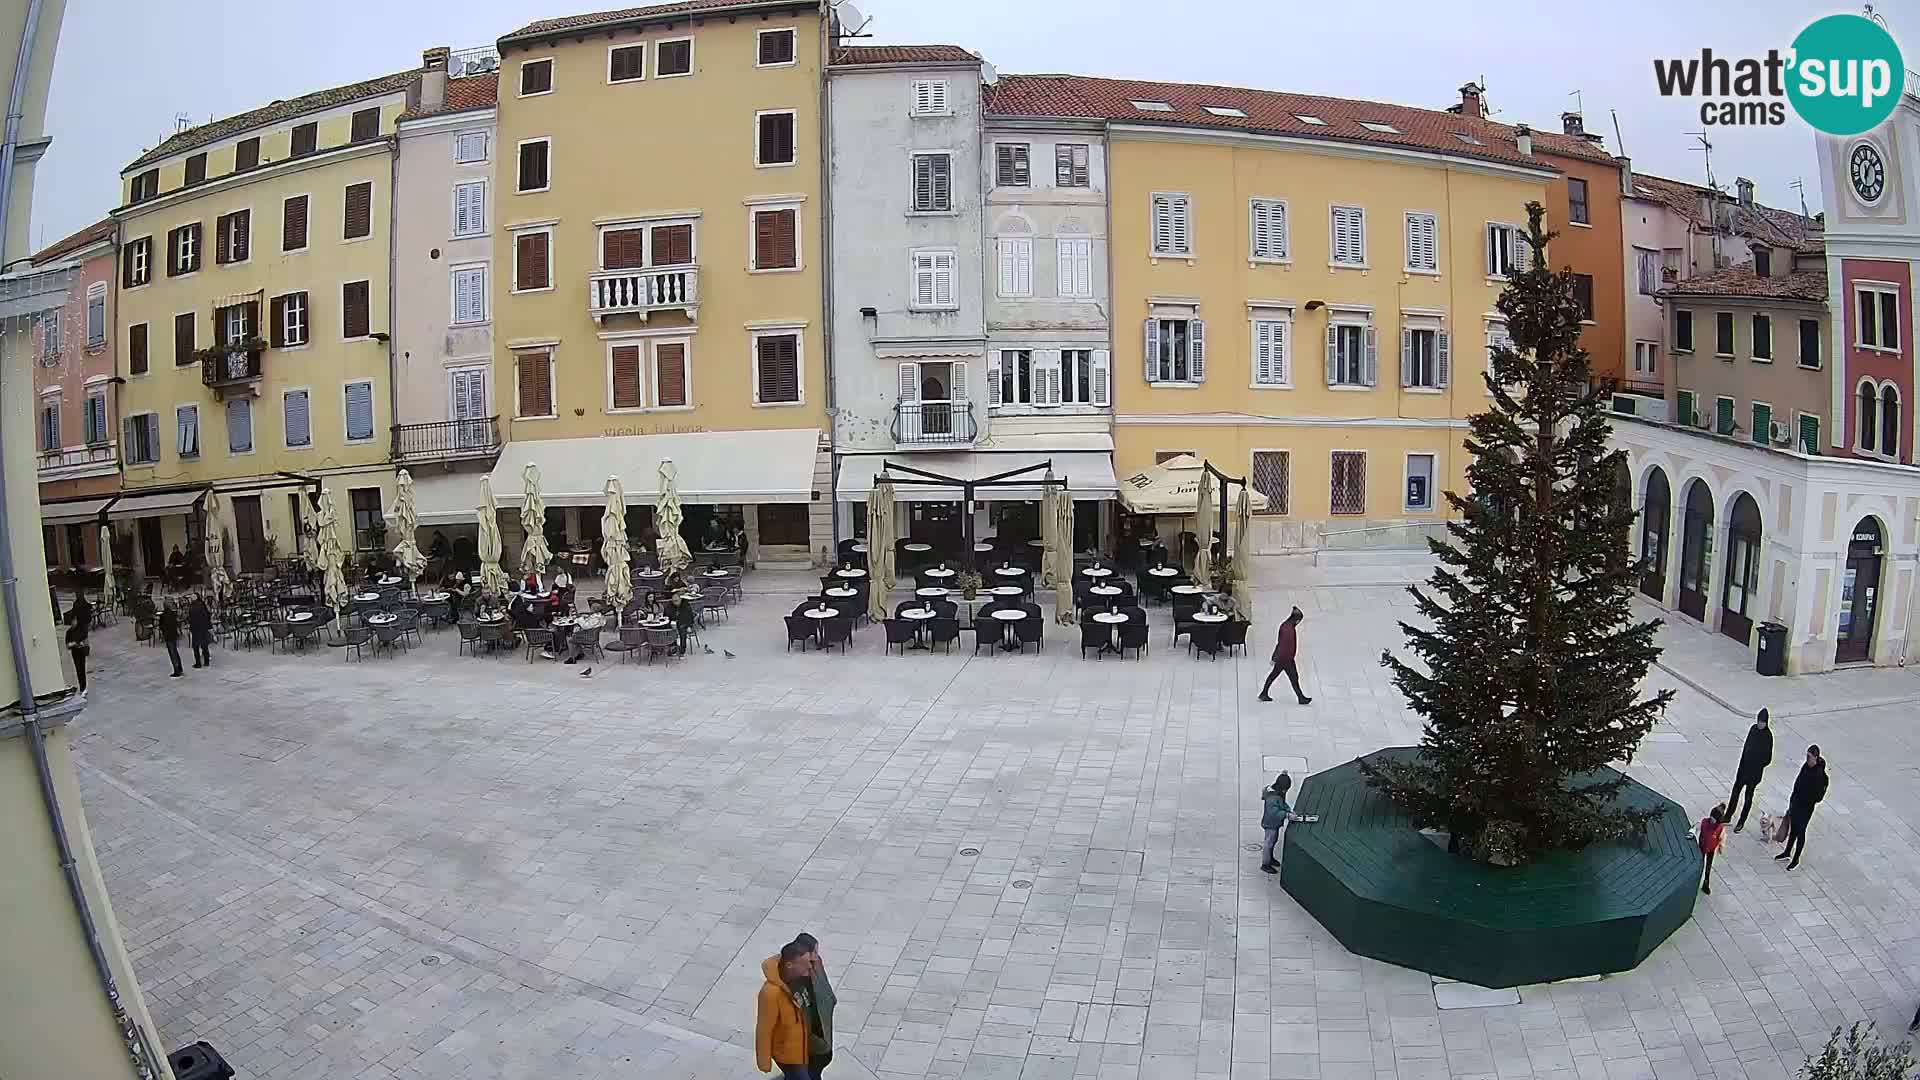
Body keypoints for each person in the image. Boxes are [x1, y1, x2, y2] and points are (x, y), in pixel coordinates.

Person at [755, 941, 815, 1080]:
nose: (810, 967)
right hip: (787, 1055)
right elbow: (764, 1029)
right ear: (790, 965)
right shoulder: (770, 993)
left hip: (804, 1048)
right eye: (805, 964)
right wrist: (764, 1061)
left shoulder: (800, 979)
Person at [1775, 745, 1828, 870]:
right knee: (1793, 828)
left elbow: (1818, 796)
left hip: (1806, 807)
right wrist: (1792, 800)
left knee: (1801, 831)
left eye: (1809, 757)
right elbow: (1798, 783)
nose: (1807, 759)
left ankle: (1796, 859)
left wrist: (1807, 798)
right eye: (1807, 756)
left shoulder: (1820, 775)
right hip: (1796, 803)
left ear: (1816, 757)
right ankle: (1787, 851)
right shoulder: (1805, 767)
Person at [791, 934, 836, 1077]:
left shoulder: (816, 964)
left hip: (821, 1034)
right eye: (814, 952)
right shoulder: (794, 981)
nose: (817, 956)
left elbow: (824, 989)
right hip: (809, 1045)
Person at [1727, 708, 1773, 832]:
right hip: (1743, 770)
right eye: (1758, 721)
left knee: (1748, 797)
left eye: (1762, 722)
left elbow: (1768, 758)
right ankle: (1728, 815)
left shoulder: (1768, 737)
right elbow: (1746, 748)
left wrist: (1757, 764)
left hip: (1754, 774)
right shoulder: (1753, 729)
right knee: (1735, 792)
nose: (1759, 724)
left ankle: (1741, 821)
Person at [1258, 607, 1313, 705]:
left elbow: (1279, 644)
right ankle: (1301, 698)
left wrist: (1275, 657)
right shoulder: (1289, 630)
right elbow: (1283, 645)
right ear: (1297, 620)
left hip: (1284, 657)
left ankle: (1264, 693)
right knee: (1293, 677)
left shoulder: (1285, 625)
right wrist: (1276, 657)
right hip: (1286, 658)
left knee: (1275, 675)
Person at [1259, 772, 1293, 875]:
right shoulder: (1273, 798)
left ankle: (1270, 858)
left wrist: (1288, 810)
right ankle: (1265, 864)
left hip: (1274, 824)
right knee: (1268, 844)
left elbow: (1282, 804)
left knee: (1273, 842)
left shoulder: (1277, 794)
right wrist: (1287, 815)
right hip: (1271, 824)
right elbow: (1274, 813)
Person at [64, 593, 92, 693]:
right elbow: (67, 645)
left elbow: (85, 639)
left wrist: (85, 646)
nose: (74, 622)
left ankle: (83, 687)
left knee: (82, 669)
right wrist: (73, 644)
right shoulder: (69, 632)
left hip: (80, 651)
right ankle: (82, 687)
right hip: (75, 652)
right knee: (78, 669)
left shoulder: (81, 629)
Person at [1697, 803, 1726, 894]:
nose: (1712, 819)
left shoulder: (1719, 828)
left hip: (1711, 849)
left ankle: (1706, 883)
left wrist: (1721, 847)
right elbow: (1697, 829)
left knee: (1708, 867)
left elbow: (1721, 838)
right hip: (1701, 847)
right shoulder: (1704, 822)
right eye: (1712, 817)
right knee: (1699, 865)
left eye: (1714, 818)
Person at [187, 594, 214, 668]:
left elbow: (190, 619)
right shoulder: (202, 605)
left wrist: (190, 629)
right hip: (203, 628)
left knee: (196, 647)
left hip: (195, 629)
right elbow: (207, 616)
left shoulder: (192, 608)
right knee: (204, 646)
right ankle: (206, 661)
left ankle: (198, 663)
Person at [159, 601, 184, 678]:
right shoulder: (173, 614)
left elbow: (161, 626)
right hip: (173, 635)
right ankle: (180, 667)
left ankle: (176, 670)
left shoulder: (163, 615)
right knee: (175, 651)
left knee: (172, 653)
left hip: (168, 636)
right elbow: (176, 624)